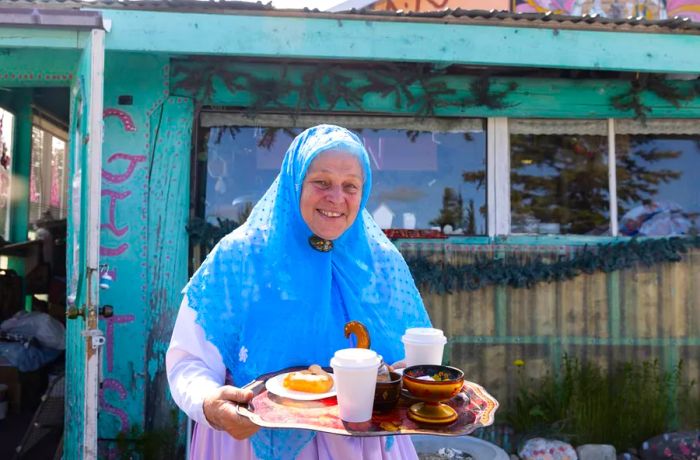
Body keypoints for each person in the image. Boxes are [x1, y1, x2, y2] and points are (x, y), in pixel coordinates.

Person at [167, 124, 431, 459]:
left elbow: (408, 363)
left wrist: (412, 377)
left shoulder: (380, 264)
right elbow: (189, 360)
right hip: (250, 441)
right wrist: (208, 403)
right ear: (294, 184)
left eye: (350, 185)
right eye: (321, 182)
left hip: (362, 446)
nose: (336, 197)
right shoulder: (241, 257)